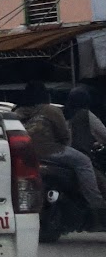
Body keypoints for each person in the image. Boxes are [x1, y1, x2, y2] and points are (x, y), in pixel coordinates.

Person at [19, 82, 106, 223]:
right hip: (51, 150)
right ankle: (98, 205)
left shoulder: (21, 112)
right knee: (84, 162)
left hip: (27, 152)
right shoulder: (55, 111)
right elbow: (64, 136)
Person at [63, 85, 106, 199]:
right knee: (102, 188)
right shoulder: (86, 115)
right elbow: (103, 134)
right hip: (80, 159)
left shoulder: (64, 114)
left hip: (62, 158)